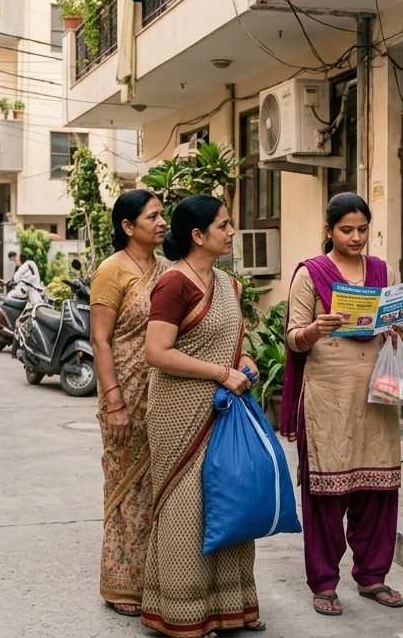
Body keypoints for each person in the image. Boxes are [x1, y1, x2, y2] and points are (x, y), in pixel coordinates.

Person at [143, 195, 262, 636]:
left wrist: (244, 361)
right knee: (187, 508)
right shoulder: (174, 284)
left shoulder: (228, 284)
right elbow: (157, 352)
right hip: (180, 411)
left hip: (225, 411)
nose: (232, 232)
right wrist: (220, 373)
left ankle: (231, 607)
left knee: (230, 500)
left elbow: (232, 341)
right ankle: (184, 614)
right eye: (224, 225)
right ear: (197, 235)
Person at [283, 192, 403, 617]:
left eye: (362, 229)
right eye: (346, 230)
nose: (356, 238)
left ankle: (372, 576)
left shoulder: (382, 270)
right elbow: (293, 337)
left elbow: (394, 320)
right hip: (328, 396)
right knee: (327, 490)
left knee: (378, 487)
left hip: (376, 395)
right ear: (329, 231)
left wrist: (395, 327)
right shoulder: (310, 274)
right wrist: (317, 329)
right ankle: (324, 582)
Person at [89, 190, 171, 616]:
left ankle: (157, 581)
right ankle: (121, 586)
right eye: (152, 216)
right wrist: (114, 401)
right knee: (125, 489)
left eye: (161, 215)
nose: (161, 222)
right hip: (123, 390)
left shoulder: (166, 268)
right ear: (128, 226)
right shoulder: (111, 271)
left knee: (159, 486)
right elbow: (100, 338)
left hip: (162, 392)